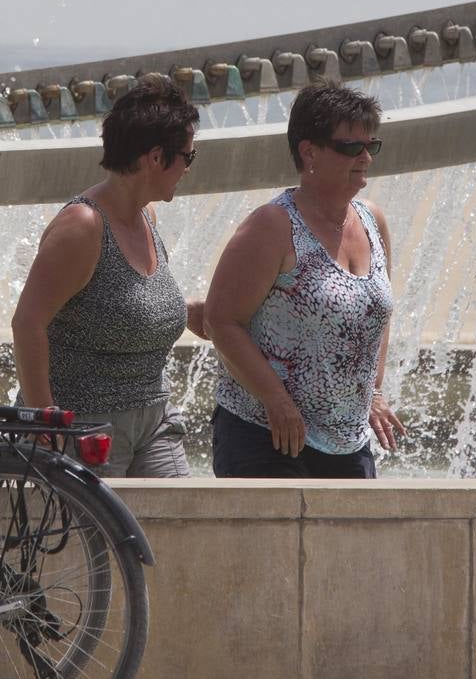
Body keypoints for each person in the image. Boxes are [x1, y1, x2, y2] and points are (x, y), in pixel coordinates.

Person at [204, 82, 405, 478]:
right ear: (309, 151)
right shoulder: (273, 225)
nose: (365, 157)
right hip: (267, 436)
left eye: (371, 146)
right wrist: (275, 400)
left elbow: (377, 315)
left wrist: (375, 392)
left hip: (348, 440)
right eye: (351, 147)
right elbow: (221, 321)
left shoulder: (372, 220)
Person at [11, 75, 206, 477]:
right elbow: (28, 322)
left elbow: (118, 303)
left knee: (181, 529)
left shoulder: (146, 217)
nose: (188, 167)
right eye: (188, 156)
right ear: (155, 158)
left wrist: (189, 312)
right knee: (92, 542)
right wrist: (45, 419)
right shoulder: (84, 226)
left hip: (155, 422)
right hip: (87, 429)